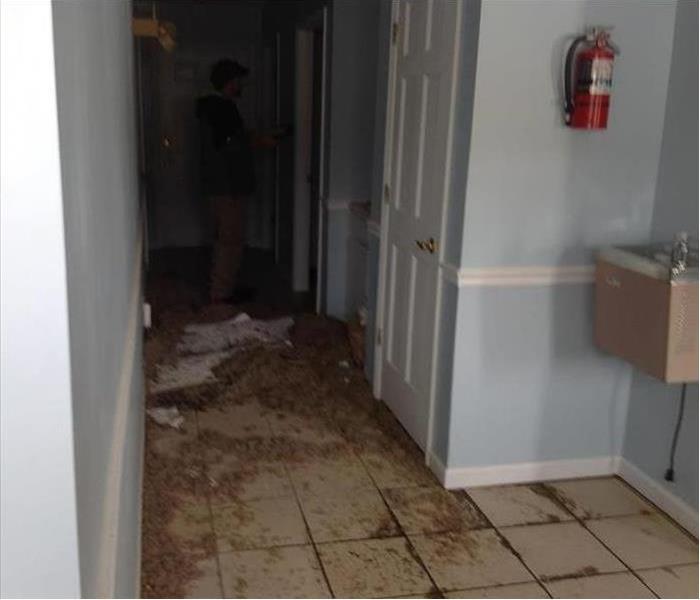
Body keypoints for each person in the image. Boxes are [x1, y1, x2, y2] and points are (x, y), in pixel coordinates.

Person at [196, 59, 279, 304]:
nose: (241, 84)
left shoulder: (211, 108)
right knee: (230, 242)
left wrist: (254, 138)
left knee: (225, 239)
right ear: (229, 83)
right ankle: (220, 296)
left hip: (216, 186)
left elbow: (230, 141)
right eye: (238, 80)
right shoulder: (222, 109)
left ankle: (223, 289)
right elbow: (233, 147)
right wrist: (261, 141)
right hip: (227, 188)